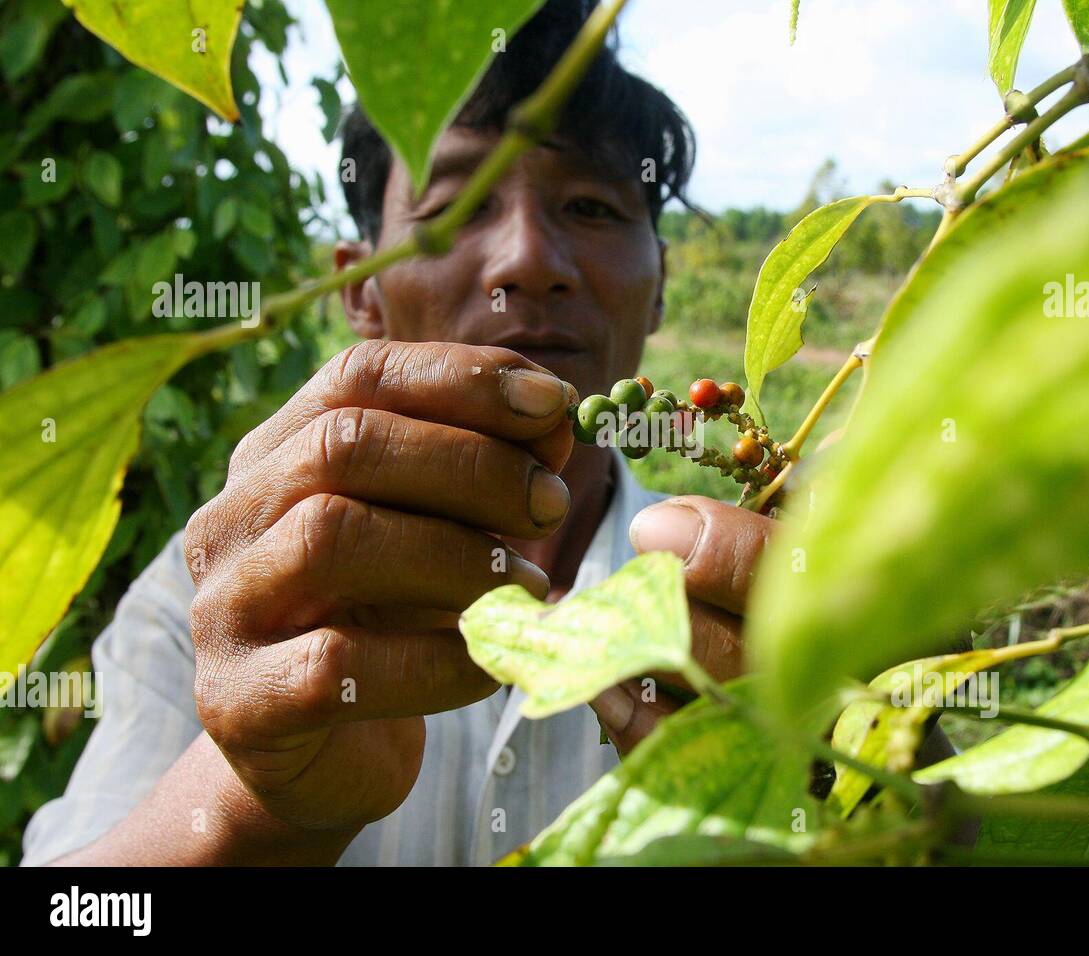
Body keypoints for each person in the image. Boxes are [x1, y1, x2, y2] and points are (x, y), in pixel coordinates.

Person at [22, 0, 953, 867]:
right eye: (458, 207)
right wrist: (250, 799)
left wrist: (862, 776)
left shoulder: (759, 612)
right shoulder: (225, 598)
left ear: (662, 282)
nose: (529, 261)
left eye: (590, 207)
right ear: (358, 288)